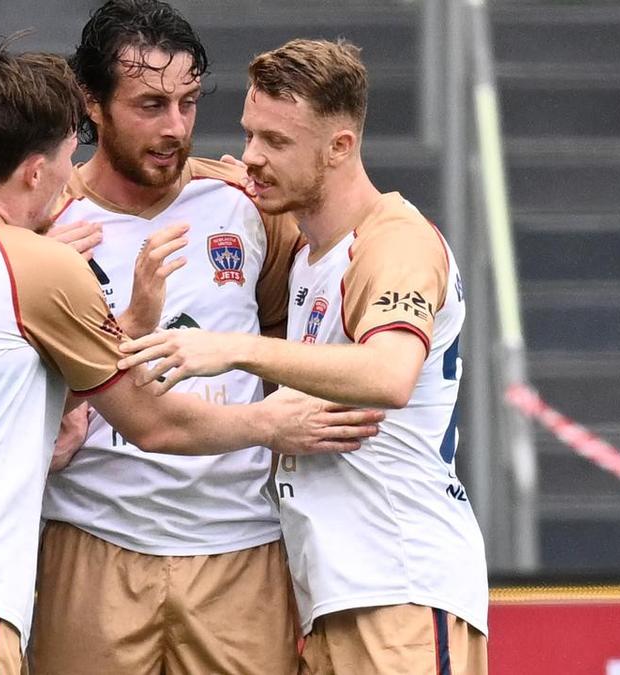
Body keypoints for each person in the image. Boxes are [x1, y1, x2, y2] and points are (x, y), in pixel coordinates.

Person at [0, 45, 370, 675]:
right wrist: (273, 424)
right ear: (35, 171)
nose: (72, 174)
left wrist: (127, 328)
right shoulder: (35, 262)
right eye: (67, 157)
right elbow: (152, 423)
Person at [119, 39, 490, 675]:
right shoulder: (308, 251)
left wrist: (236, 351)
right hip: (336, 595)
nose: (252, 157)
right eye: (249, 134)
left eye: (276, 142)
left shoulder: (393, 242)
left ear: (340, 147)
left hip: (401, 589)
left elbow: (390, 374)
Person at [33, 3, 382, 674]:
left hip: (240, 549)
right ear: (92, 104)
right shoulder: (46, 222)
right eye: (150, 105)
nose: (175, 127)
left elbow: (286, 333)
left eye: (188, 102)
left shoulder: (244, 205)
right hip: (91, 539)